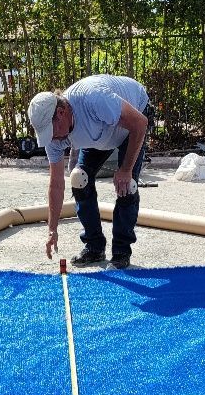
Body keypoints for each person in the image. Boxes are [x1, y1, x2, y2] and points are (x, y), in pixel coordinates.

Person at [28, 75, 152, 269]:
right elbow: (56, 183)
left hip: (132, 123)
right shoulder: (54, 138)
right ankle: (94, 247)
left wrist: (126, 170)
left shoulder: (93, 99)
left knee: (127, 186)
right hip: (101, 131)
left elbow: (140, 123)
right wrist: (52, 229)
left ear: (61, 113)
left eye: (51, 131)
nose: (52, 139)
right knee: (79, 179)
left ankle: (121, 251)